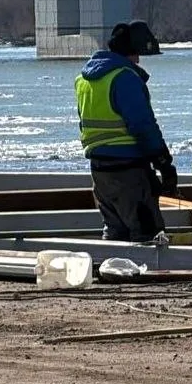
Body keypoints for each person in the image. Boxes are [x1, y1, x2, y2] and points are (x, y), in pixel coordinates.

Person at [75, 20, 176, 242]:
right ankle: (147, 273)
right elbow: (142, 125)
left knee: (115, 228)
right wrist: (163, 162)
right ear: (129, 53)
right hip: (128, 169)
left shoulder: (83, 80)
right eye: (136, 54)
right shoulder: (124, 77)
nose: (138, 60)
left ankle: (113, 270)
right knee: (147, 229)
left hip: (99, 170)